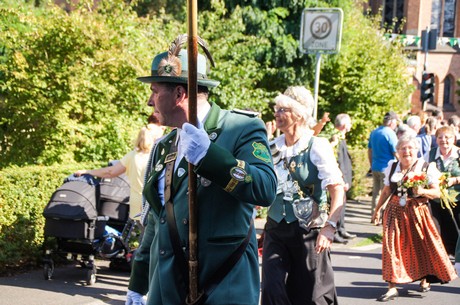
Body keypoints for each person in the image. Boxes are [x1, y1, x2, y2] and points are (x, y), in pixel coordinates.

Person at [125, 35, 277, 305]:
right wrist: (137, 284)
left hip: (223, 287)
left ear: (179, 94)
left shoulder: (240, 129)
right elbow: (156, 222)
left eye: (155, 91)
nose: (150, 101)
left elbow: (265, 189)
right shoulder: (165, 145)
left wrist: (211, 157)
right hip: (168, 289)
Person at [261, 87, 345, 305]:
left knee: (310, 294)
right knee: (271, 286)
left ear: (298, 114)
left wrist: (330, 227)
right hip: (276, 228)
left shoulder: (316, 146)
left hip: (309, 231)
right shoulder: (272, 147)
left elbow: (336, 189)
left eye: (283, 109)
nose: (277, 114)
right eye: (276, 109)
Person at [371, 135, 457, 302]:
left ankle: (425, 277)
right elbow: (387, 190)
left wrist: (422, 192)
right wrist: (377, 209)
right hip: (394, 211)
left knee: (420, 246)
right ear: (397, 151)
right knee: (391, 248)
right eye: (402, 148)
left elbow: (437, 192)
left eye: (410, 148)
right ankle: (392, 286)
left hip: (418, 212)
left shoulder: (426, 167)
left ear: (416, 150)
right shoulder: (392, 166)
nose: (406, 152)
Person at [75, 121, 165, 221]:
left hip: (137, 207)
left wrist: (88, 171)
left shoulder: (132, 156)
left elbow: (110, 172)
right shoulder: (158, 156)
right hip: (154, 205)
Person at [426, 126, 460, 256]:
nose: (443, 140)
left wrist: (455, 180)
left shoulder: (459, 154)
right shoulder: (431, 154)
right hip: (436, 200)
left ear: (454, 139)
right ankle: (442, 262)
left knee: (457, 231)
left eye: (447, 137)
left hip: (457, 200)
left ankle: (457, 260)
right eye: (440, 137)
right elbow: (421, 169)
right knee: (438, 231)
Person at [331, 113, 356, 243]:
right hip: (340, 179)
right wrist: (344, 180)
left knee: (342, 205)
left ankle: (341, 229)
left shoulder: (341, 138)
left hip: (343, 178)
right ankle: (336, 231)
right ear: (345, 125)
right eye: (350, 123)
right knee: (337, 205)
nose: (351, 126)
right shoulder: (336, 138)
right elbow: (340, 161)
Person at [368, 111, 399, 216]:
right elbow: (396, 152)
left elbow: (370, 150)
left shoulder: (374, 132)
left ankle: (374, 214)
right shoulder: (390, 134)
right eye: (395, 123)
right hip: (387, 168)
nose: (396, 125)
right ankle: (382, 216)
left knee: (376, 193)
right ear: (391, 122)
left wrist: (371, 164)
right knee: (385, 193)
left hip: (375, 166)